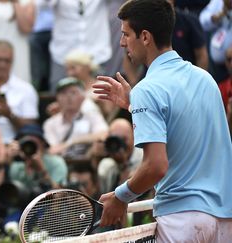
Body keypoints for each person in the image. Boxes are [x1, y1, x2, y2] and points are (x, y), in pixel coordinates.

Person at [93, 0, 232, 242]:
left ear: (145, 37)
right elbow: (183, 121)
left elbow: (156, 165)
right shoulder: (206, 79)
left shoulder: (148, 90)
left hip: (182, 220)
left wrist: (120, 196)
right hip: (225, 219)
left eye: (126, 34)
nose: (122, 42)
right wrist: (133, 105)